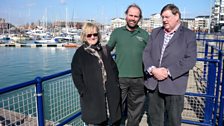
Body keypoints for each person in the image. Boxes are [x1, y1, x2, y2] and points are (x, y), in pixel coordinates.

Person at [143, 4, 197, 126]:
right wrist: (153, 70)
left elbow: (190, 59)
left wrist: (167, 72)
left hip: (174, 85)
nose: (164, 20)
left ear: (176, 16)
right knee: (154, 119)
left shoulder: (188, 35)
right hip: (154, 84)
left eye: (167, 17)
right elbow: (146, 53)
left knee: (173, 120)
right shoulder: (156, 32)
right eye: (162, 17)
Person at [107, 3, 149, 126]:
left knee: (135, 109)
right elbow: (107, 50)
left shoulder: (144, 34)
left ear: (139, 18)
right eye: (131, 15)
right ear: (126, 15)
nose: (133, 18)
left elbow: (151, 54)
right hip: (120, 77)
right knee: (118, 106)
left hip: (139, 78)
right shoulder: (117, 32)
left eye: (136, 16)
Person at [71, 22, 121, 126]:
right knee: (97, 122)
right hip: (93, 98)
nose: (93, 37)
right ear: (84, 36)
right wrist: (83, 92)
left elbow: (114, 68)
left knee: (113, 120)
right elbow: (76, 75)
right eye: (89, 35)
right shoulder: (80, 53)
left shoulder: (104, 50)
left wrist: (116, 85)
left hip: (110, 95)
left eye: (95, 34)